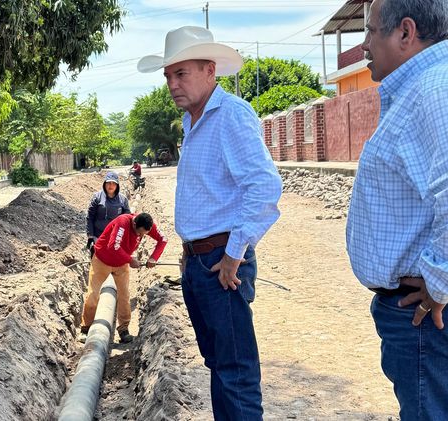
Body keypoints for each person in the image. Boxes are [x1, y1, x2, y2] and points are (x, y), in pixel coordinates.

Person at [345, 1, 448, 419]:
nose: (364, 44)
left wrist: (442, 282)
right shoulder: (430, 86)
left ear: (405, 32)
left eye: (370, 31)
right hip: (424, 313)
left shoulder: (438, 89)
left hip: (432, 314)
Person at [138, 26, 282, 419]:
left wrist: (235, 253)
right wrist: (188, 252)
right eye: (168, 75)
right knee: (219, 364)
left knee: (236, 372)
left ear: (209, 70)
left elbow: (265, 188)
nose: (172, 84)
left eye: (180, 73)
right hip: (200, 261)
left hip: (222, 262)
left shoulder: (231, 115)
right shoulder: (193, 122)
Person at [81, 212, 168, 343]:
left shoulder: (146, 224)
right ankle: (86, 328)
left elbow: (163, 239)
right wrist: (130, 260)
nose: (141, 236)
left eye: (144, 233)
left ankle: (123, 330)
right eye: (139, 233)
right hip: (102, 260)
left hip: (121, 264)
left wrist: (154, 257)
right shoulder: (122, 222)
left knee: (124, 296)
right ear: (134, 224)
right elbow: (114, 246)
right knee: (93, 295)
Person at [86, 171, 130, 256]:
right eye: (108, 183)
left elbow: (127, 219)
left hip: (116, 238)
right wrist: (90, 236)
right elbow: (90, 217)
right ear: (104, 184)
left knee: (114, 262)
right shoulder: (97, 197)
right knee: (98, 262)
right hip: (98, 237)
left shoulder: (123, 199)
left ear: (117, 186)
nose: (111, 186)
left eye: (114, 183)